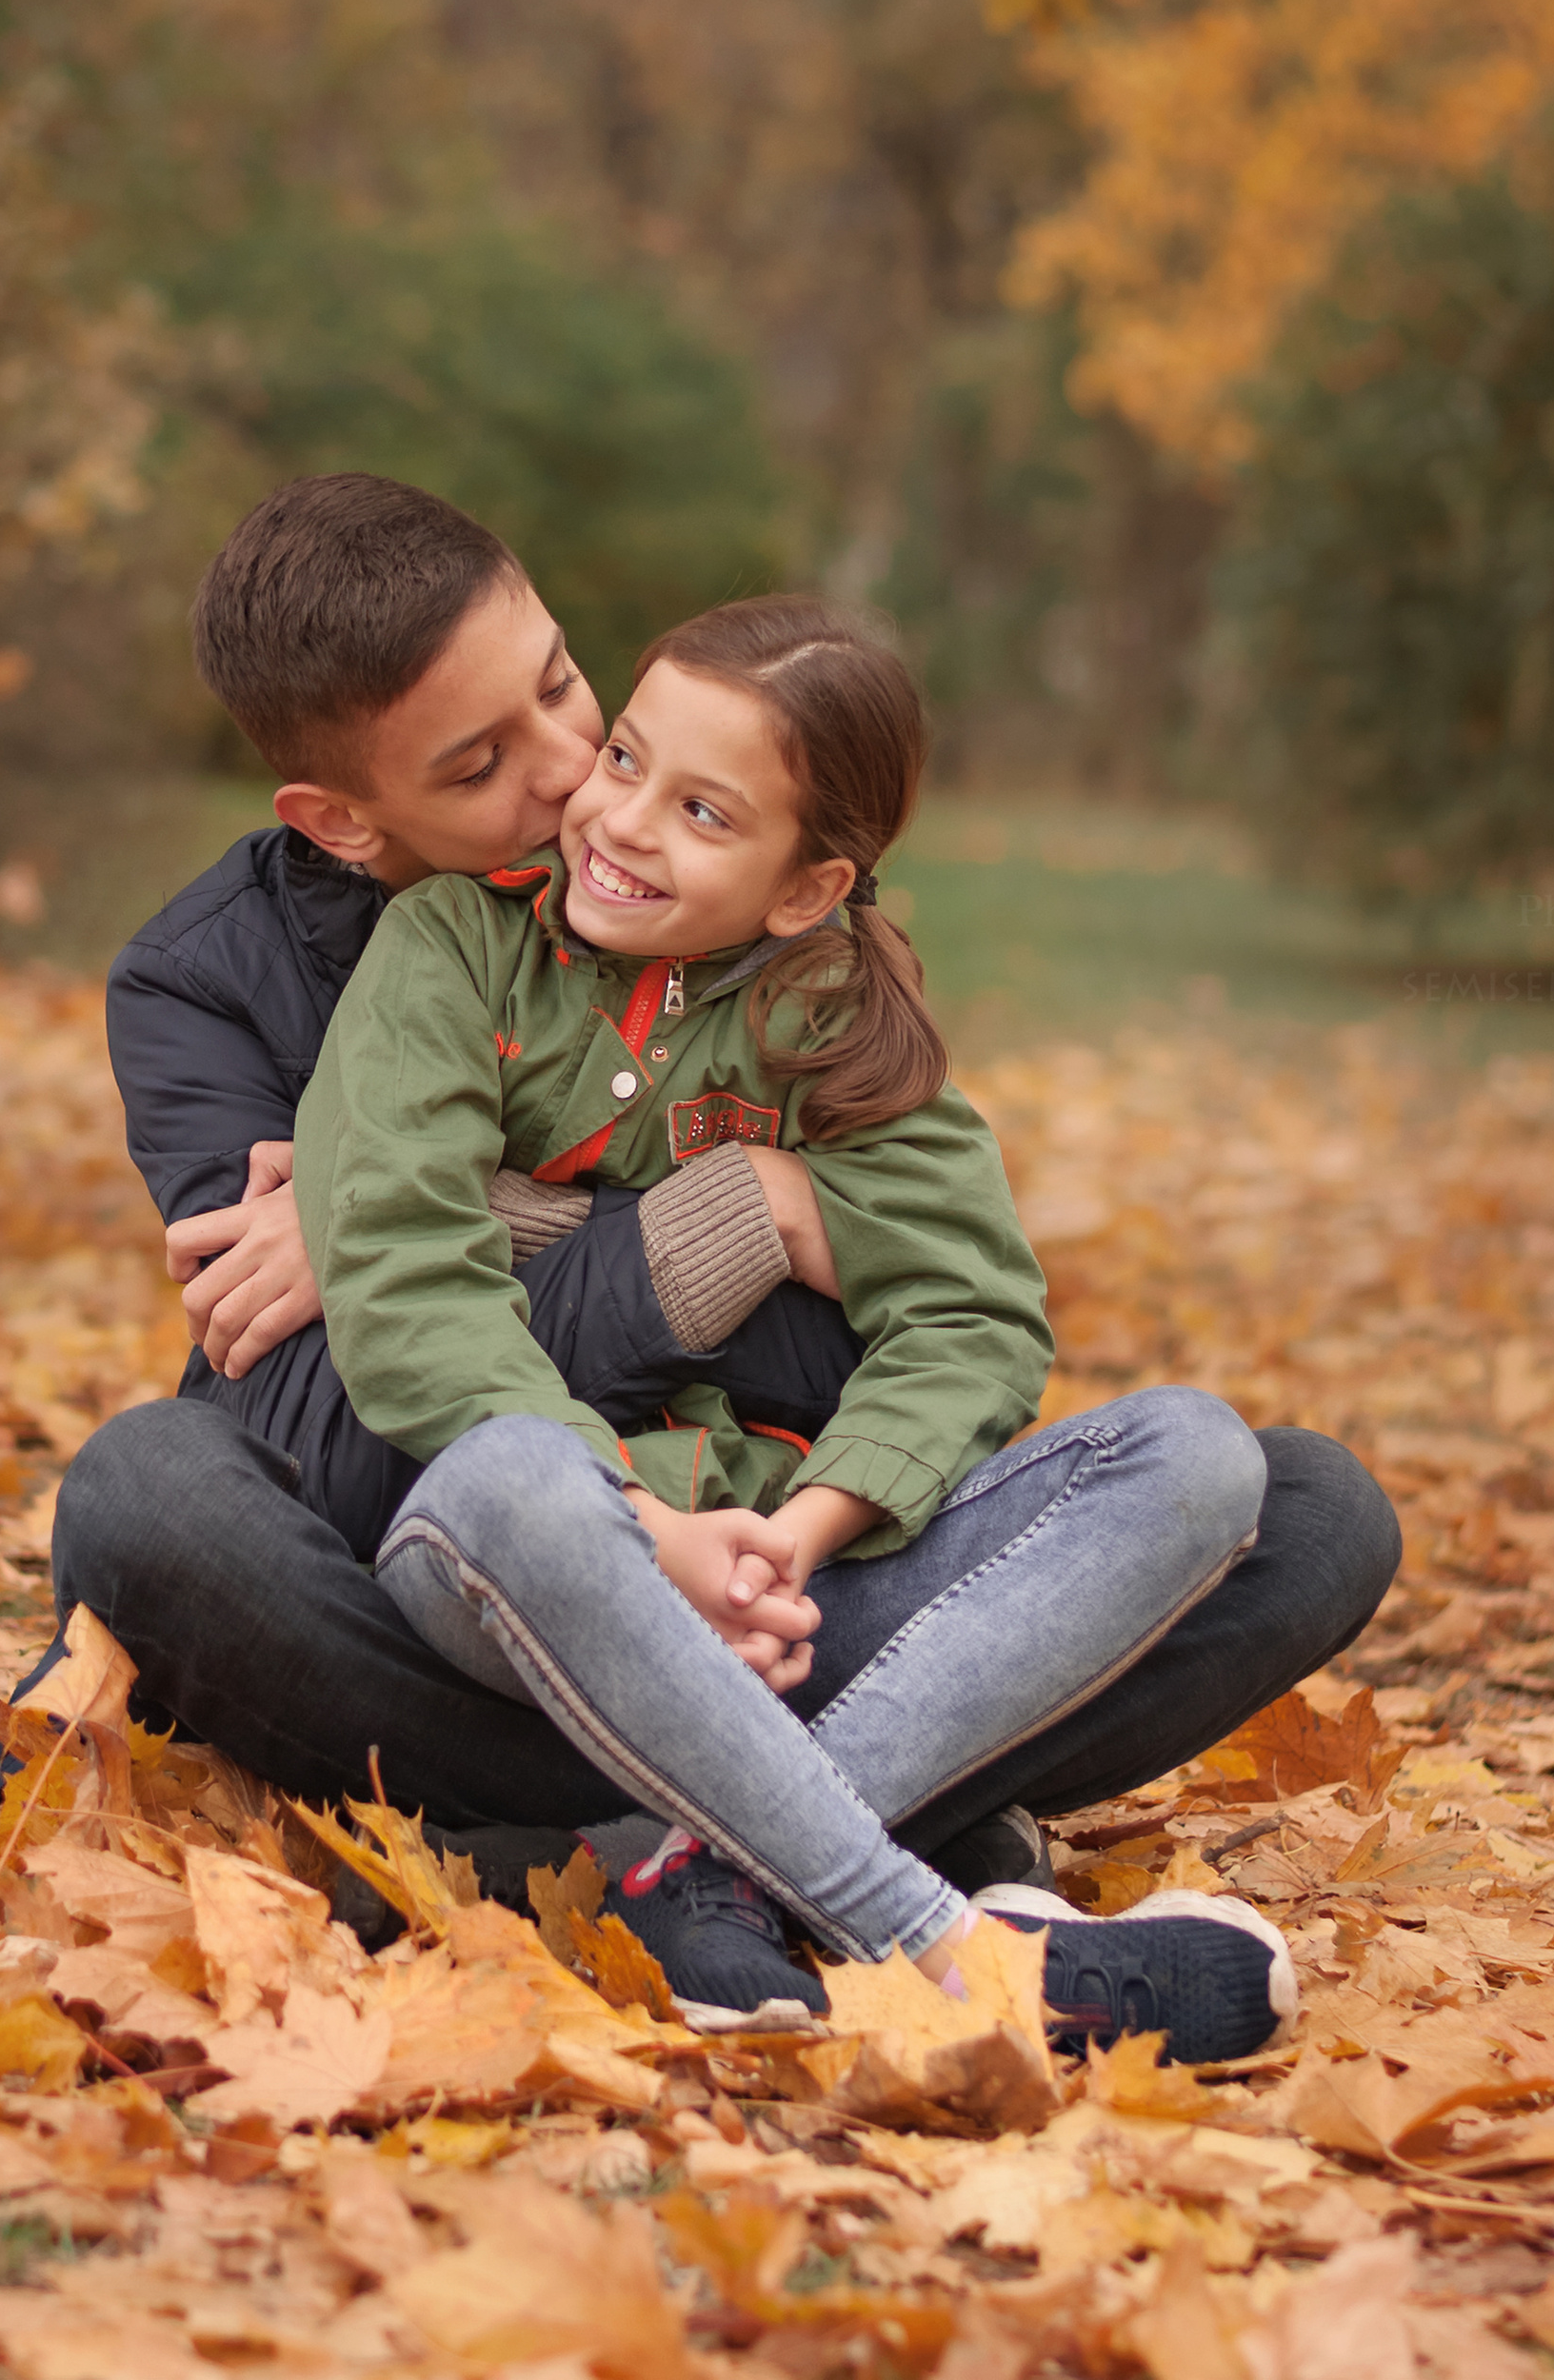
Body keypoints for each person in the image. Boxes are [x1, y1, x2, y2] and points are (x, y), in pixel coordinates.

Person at [0, 477, 1400, 1991]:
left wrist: (515, 1236)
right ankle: (875, 1861)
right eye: (487, 760)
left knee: (1295, 1505)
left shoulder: (783, 945)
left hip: (776, 1584)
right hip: (433, 1581)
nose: (583, 777)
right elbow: (307, 1386)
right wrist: (718, 1225)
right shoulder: (228, 982)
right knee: (146, 1496)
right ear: (342, 817)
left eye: (571, 690)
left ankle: (624, 1865)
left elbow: (938, 1309)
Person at [298, 594, 1294, 2054]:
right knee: (511, 1474)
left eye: (702, 810)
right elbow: (405, 1281)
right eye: (625, 759)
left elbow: (971, 1314)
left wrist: (803, 1533)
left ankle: (694, 1878)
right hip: (535, 1587)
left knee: (1205, 1459)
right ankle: (935, 1937)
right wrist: (647, 1530)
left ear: (803, 889)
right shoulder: (454, 951)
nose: (623, 822)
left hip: (789, 1607)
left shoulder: (830, 1019)